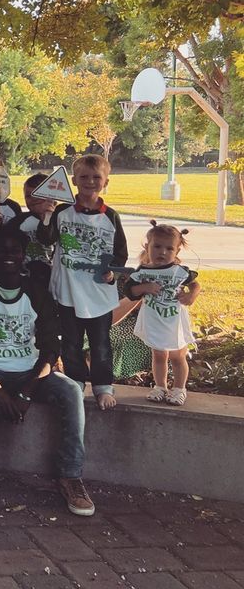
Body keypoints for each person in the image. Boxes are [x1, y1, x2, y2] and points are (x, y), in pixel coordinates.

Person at [0, 225, 94, 515]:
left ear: (24, 254)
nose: (8, 255)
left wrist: (26, 393)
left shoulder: (36, 293)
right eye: (1, 250)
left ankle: (71, 476)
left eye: (14, 250)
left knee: (72, 390)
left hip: (30, 373)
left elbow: (51, 349)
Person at [38, 154, 127, 410]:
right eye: (84, 177)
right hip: (67, 291)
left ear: (105, 182)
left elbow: (120, 252)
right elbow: (46, 239)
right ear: (74, 181)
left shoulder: (110, 216)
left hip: (98, 294)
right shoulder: (62, 212)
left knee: (100, 345)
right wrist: (46, 215)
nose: (90, 181)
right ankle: (76, 381)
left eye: (96, 177)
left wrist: (112, 272)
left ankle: (103, 386)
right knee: (71, 342)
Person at [125, 222, 200, 406]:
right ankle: (160, 386)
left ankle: (179, 389)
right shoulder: (142, 272)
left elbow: (195, 284)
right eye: (157, 246)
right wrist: (145, 287)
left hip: (174, 321)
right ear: (147, 246)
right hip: (154, 320)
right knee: (158, 355)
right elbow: (130, 291)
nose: (163, 252)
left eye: (169, 248)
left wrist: (191, 295)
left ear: (176, 251)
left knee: (177, 356)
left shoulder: (178, 271)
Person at [17, 173, 56, 291]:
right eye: (28, 195)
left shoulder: (62, 219)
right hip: (25, 278)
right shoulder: (19, 221)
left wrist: (48, 216)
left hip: (53, 280)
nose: (33, 199)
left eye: (37, 194)